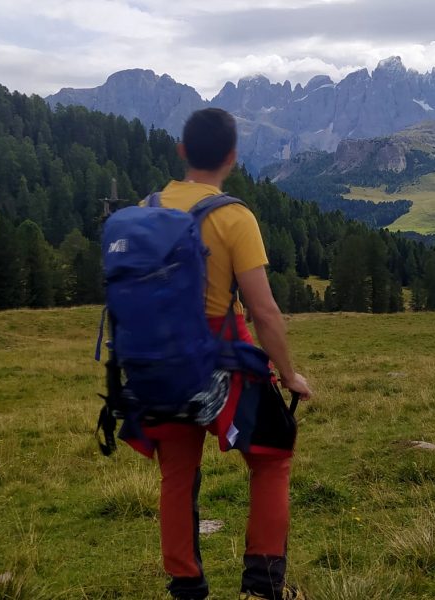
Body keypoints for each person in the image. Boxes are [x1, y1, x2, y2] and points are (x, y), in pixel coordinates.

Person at [142, 108, 312, 600]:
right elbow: (263, 310)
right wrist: (289, 374)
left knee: (176, 474)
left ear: (181, 152)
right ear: (232, 158)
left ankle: (187, 587)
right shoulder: (233, 216)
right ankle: (262, 585)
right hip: (220, 361)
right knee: (273, 457)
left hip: (160, 364)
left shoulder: (146, 207)